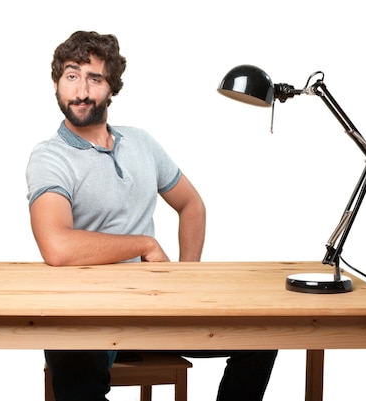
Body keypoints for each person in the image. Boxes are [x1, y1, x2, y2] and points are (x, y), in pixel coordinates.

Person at [26, 30, 277, 401]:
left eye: (94, 79)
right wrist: (144, 244)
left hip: (153, 306)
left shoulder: (140, 143)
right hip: (86, 310)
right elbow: (57, 247)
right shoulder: (49, 158)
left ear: (112, 88)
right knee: (73, 361)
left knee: (265, 335)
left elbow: (192, 204)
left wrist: (185, 279)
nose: (81, 91)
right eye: (72, 75)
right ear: (56, 82)